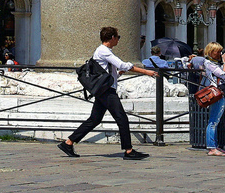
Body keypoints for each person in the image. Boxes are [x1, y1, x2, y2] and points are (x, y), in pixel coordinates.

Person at [58, 27, 155, 160]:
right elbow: (122, 64)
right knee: (122, 118)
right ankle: (128, 150)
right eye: (118, 37)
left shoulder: (104, 51)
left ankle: (68, 143)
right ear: (112, 38)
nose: (118, 40)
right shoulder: (104, 51)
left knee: (95, 119)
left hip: (103, 89)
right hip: (107, 91)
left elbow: (108, 71)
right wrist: (146, 72)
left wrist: (118, 74)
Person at [194, 41, 225, 156]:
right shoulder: (209, 63)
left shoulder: (214, 63)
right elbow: (224, 76)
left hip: (219, 93)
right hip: (215, 94)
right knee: (213, 121)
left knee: (215, 121)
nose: (220, 54)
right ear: (211, 52)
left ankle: (215, 146)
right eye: (218, 52)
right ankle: (212, 148)